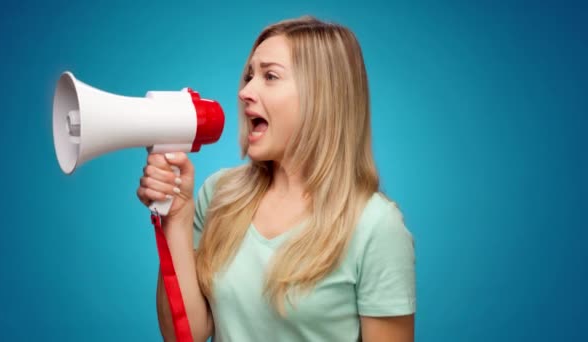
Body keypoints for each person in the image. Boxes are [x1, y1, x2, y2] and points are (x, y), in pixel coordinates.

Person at [137, 16, 416, 342]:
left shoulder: (376, 226)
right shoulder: (219, 195)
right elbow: (188, 336)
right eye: (249, 76)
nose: (244, 92)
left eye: (270, 76)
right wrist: (177, 218)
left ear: (322, 95)